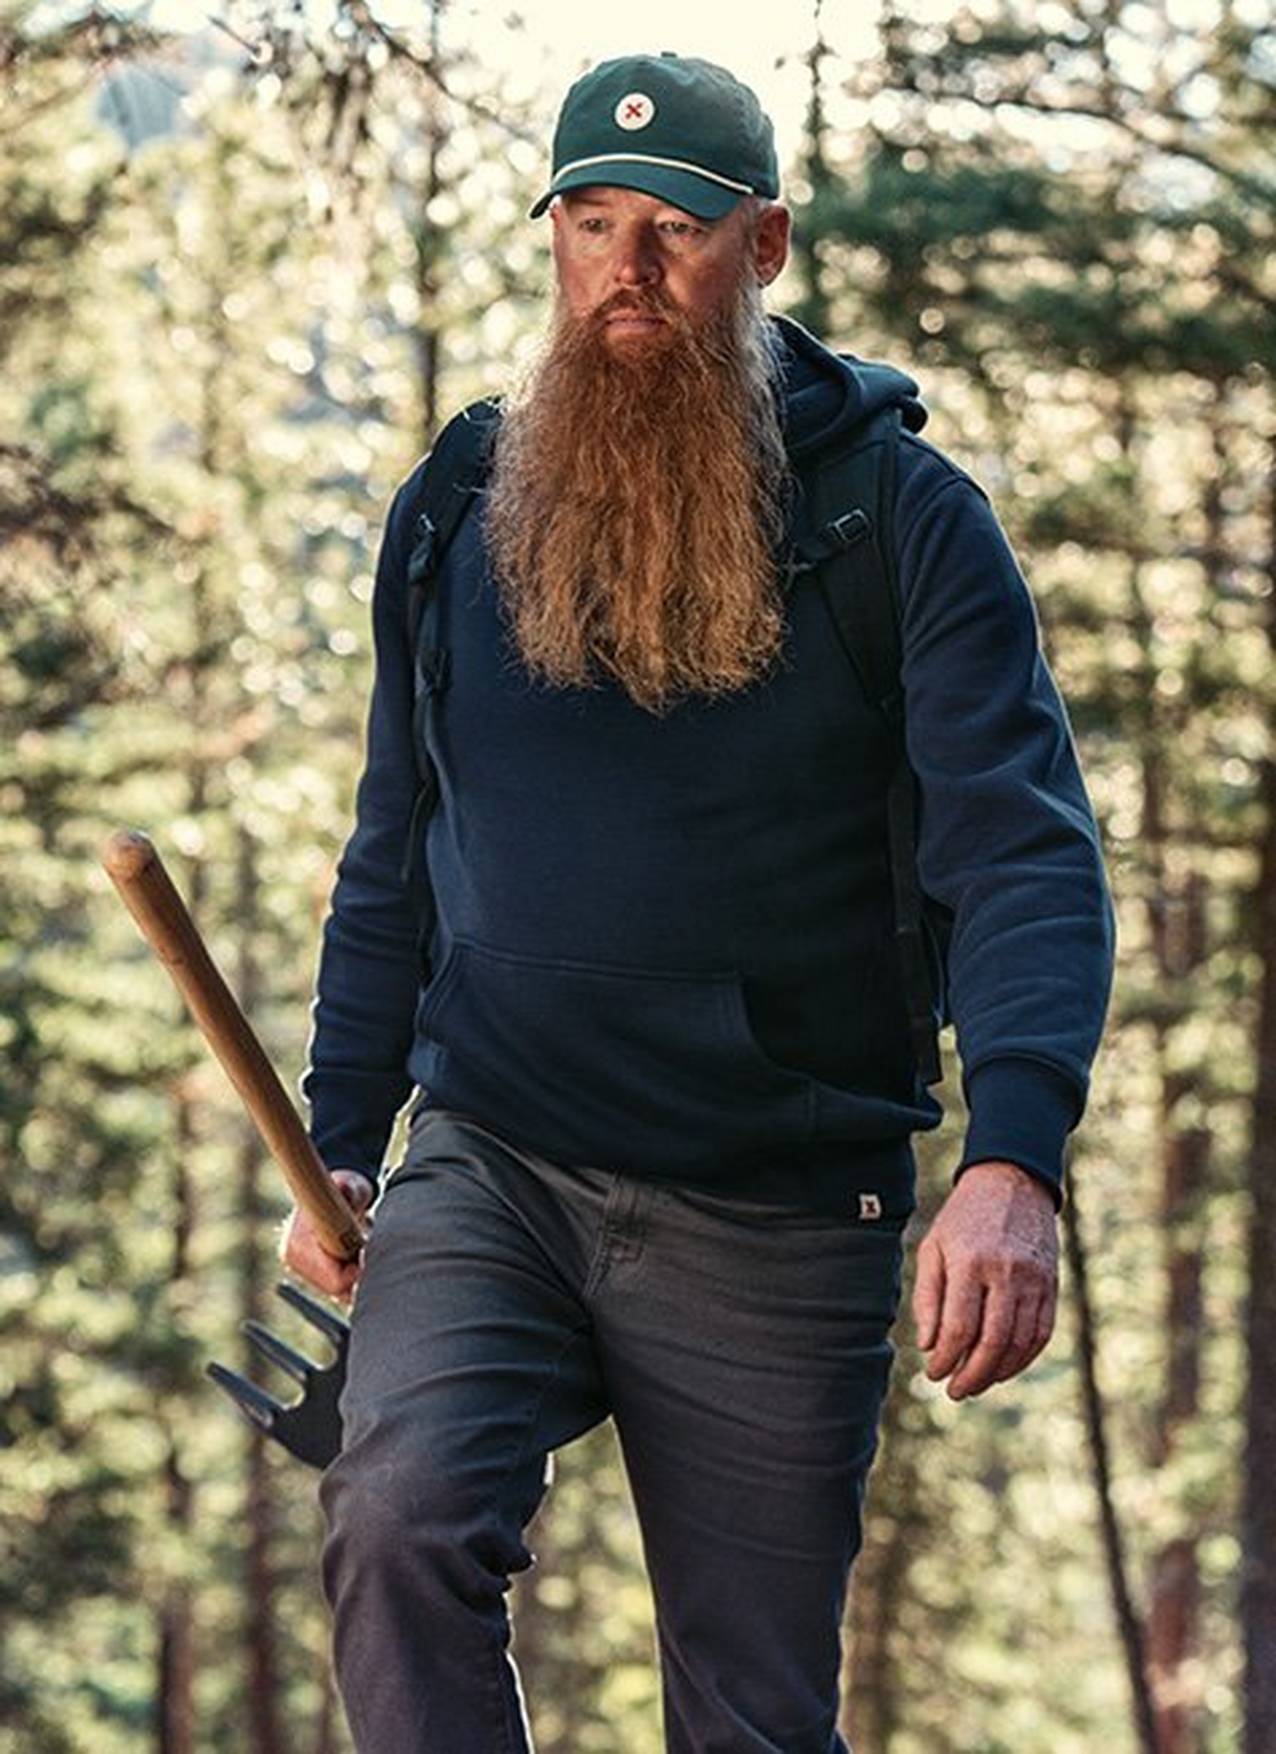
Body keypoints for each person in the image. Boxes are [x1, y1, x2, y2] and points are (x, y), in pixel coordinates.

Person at [286, 49, 1117, 1754]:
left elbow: (1019, 849)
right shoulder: (459, 506)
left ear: (767, 248)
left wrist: (1017, 1156)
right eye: (590, 223)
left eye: (675, 226)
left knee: (748, 1708)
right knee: (395, 1518)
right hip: (495, 1152)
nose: (628, 268)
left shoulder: (904, 523)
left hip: (780, 1199)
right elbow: (398, 847)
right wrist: (345, 1127)